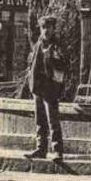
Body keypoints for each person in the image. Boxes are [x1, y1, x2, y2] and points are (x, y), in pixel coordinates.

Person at [25, 15, 67, 163]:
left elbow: (63, 66)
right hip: (37, 86)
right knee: (39, 119)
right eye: (43, 28)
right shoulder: (38, 44)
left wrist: (56, 57)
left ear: (53, 28)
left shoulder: (57, 45)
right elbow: (32, 63)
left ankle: (57, 150)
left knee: (52, 120)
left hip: (50, 87)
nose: (46, 30)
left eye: (48, 27)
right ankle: (41, 148)